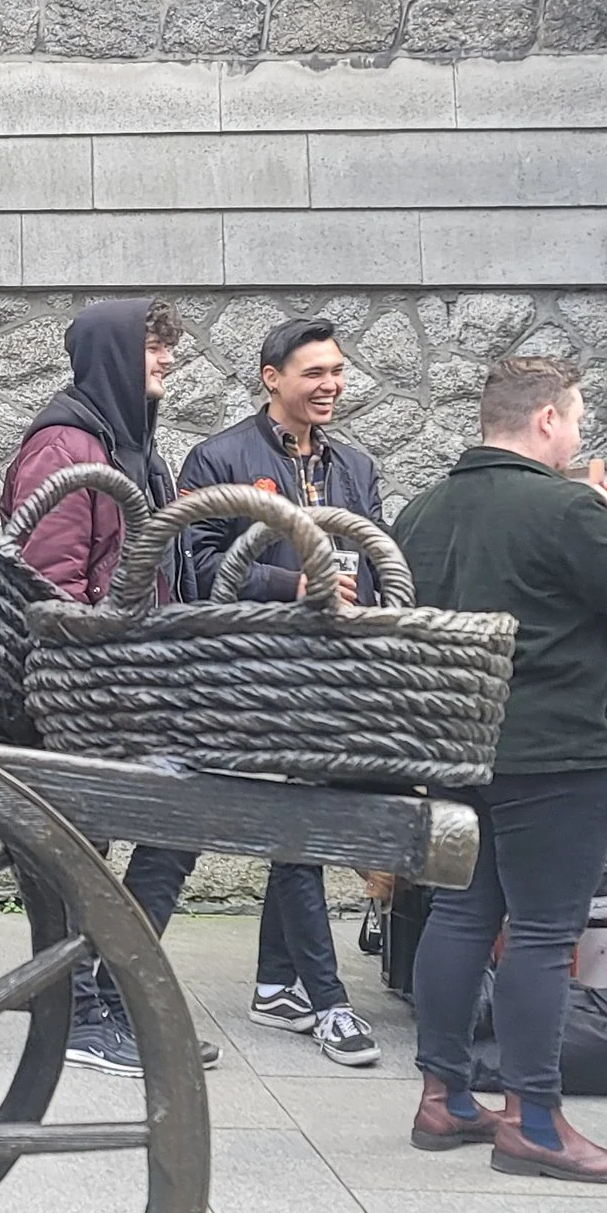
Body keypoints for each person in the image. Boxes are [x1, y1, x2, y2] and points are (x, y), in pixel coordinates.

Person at [392, 355, 607, 1182]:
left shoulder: (424, 511)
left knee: (459, 917)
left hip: (459, 747)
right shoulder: (569, 509)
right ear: (547, 418)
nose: (579, 430)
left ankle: (442, 1094)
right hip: (559, 754)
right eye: (576, 414)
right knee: (546, 936)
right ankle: (536, 1122)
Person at [0, 297, 213, 1076]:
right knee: (78, 846)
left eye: (167, 349)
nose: (166, 361)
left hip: (137, 680)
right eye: (154, 348)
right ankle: (79, 1006)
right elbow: (50, 582)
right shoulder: (65, 445)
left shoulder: (134, 450)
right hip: (88, 685)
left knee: (178, 818)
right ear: (117, 353)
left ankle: (119, 990)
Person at [180, 316, 382, 1069]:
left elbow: (379, 550)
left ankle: (275, 984)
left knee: (302, 817)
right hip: (256, 672)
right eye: (313, 372)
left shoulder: (355, 465)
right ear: (271, 378)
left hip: (337, 672)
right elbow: (193, 568)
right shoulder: (218, 457)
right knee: (301, 825)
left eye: (336, 370)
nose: (329, 383)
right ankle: (328, 1002)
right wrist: (290, 583)